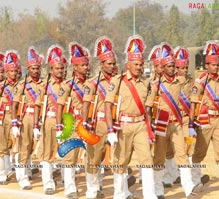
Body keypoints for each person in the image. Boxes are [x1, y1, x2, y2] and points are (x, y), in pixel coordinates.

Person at [146, 43, 203, 198]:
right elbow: (149, 107)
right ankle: (158, 189)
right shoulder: (156, 84)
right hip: (161, 122)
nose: (172, 68)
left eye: (173, 66)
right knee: (159, 156)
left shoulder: (180, 82)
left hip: (176, 122)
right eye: (169, 66)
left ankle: (189, 187)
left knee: (182, 154)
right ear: (163, 68)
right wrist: (149, 126)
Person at [104, 35, 156, 199]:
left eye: (141, 64)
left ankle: (150, 194)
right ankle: (119, 193)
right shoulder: (117, 81)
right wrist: (110, 130)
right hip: (123, 126)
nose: (139, 67)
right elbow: (108, 104)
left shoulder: (146, 83)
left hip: (140, 125)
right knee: (121, 160)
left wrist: (149, 130)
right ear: (128, 65)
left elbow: (147, 109)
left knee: (147, 159)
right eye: (136, 64)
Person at [82, 36, 117, 199]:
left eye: (114, 63)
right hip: (97, 124)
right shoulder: (92, 83)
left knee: (117, 158)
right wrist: (84, 124)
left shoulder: (119, 81)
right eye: (109, 63)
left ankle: (120, 190)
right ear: (101, 65)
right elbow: (86, 104)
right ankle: (92, 189)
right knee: (94, 157)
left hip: (116, 124)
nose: (112, 66)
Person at [189, 41, 219, 193]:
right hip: (204, 121)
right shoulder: (200, 83)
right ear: (206, 65)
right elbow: (193, 103)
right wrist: (191, 125)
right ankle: (196, 180)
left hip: (218, 121)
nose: (215, 67)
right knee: (199, 153)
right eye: (212, 64)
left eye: (217, 64)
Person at [56, 42, 90, 199]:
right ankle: (70, 187)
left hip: (89, 122)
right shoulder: (67, 85)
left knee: (91, 156)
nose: (86, 68)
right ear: (75, 68)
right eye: (83, 65)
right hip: (72, 122)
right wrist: (59, 126)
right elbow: (59, 106)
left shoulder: (92, 83)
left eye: (87, 65)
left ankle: (93, 186)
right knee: (71, 156)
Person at [11, 46, 44, 190]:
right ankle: (22, 176)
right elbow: (14, 104)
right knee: (24, 147)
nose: (36, 71)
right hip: (27, 118)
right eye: (33, 68)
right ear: (28, 69)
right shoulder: (22, 84)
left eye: (38, 68)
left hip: (43, 117)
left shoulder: (45, 83)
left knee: (42, 148)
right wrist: (14, 123)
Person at [34, 44, 65, 195]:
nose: (60, 71)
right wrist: (35, 125)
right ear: (51, 70)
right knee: (47, 153)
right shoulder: (44, 86)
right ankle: (48, 183)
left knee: (68, 152)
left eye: (62, 68)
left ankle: (67, 180)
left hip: (66, 121)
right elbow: (37, 106)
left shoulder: (68, 84)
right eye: (57, 68)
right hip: (49, 121)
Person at [0, 50, 19, 185]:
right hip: (2, 118)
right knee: (1, 147)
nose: (14, 74)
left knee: (17, 146)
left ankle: (16, 172)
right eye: (11, 71)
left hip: (17, 118)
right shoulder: (0, 87)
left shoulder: (22, 86)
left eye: (16, 71)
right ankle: (1, 174)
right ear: (7, 72)